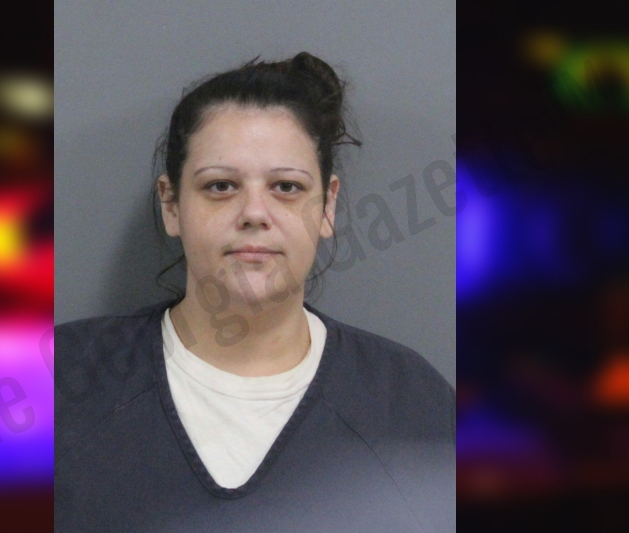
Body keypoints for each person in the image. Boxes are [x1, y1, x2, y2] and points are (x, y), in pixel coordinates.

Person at [55, 52, 454, 533]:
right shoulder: (57, 384)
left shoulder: (411, 404)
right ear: (171, 204)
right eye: (221, 186)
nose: (254, 213)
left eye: (286, 187)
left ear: (328, 206)